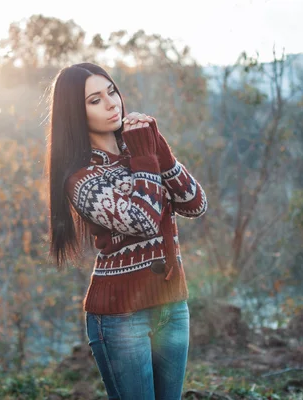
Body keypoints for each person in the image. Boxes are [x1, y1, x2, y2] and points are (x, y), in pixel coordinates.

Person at [45, 62, 207, 400]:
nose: (111, 103)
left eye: (111, 91)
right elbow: (142, 219)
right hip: (121, 317)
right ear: (75, 113)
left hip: (172, 305)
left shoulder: (140, 149)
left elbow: (195, 203)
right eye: (94, 100)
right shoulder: (81, 177)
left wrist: (158, 147)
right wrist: (147, 158)